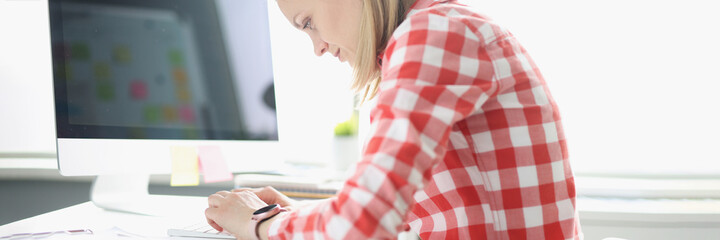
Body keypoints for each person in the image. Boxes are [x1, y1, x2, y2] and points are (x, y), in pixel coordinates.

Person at [204, 0, 583, 239]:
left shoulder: (433, 33)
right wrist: (301, 216)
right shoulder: (436, 31)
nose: (317, 47)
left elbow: (360, 225)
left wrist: (258, 223)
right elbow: (397, 216)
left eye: (307, 22)